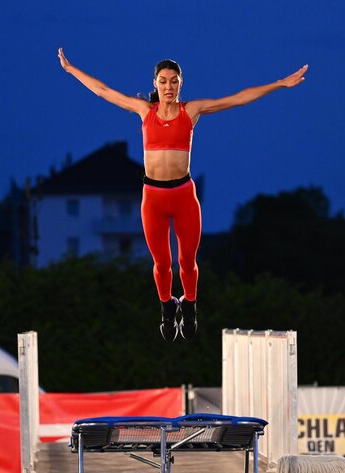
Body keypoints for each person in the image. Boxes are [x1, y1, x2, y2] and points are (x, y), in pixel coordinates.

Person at [58, 48, 308, 342]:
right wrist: (71, 69)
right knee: (162, 263)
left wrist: (279, 83)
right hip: (153, 198)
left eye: (174, 81)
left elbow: (237, 98)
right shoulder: (144, 111)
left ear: (181, 84)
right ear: (155, 83)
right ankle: (167, 306)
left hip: (183, 196)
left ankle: (189, 305)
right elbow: (103, 91)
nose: (168, 87)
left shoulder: (192, 111)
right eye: (163, 81)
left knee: (187, 260)